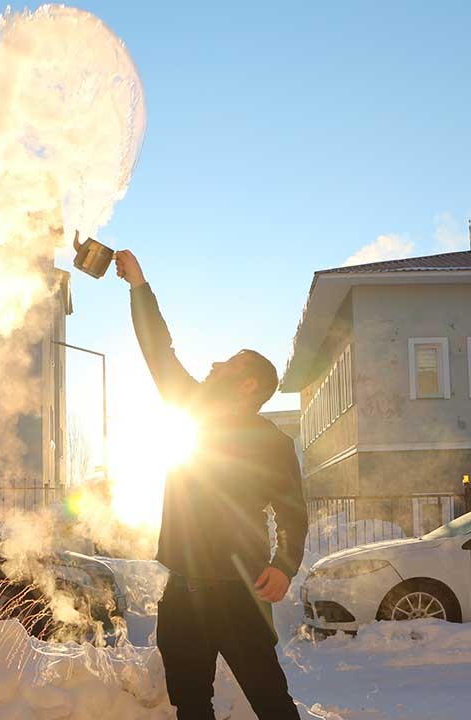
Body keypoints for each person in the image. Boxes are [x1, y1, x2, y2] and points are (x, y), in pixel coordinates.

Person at [115, 249, 307, 720]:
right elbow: (158, 350)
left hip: (239, 593)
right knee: (191, 705)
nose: (217, 364)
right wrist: (139, 285)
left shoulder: (272, 444)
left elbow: (293, 514)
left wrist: (285, 565)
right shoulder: (191, 409)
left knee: (271, 703)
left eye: (231, 364)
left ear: (248, 386)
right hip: (182, 592)